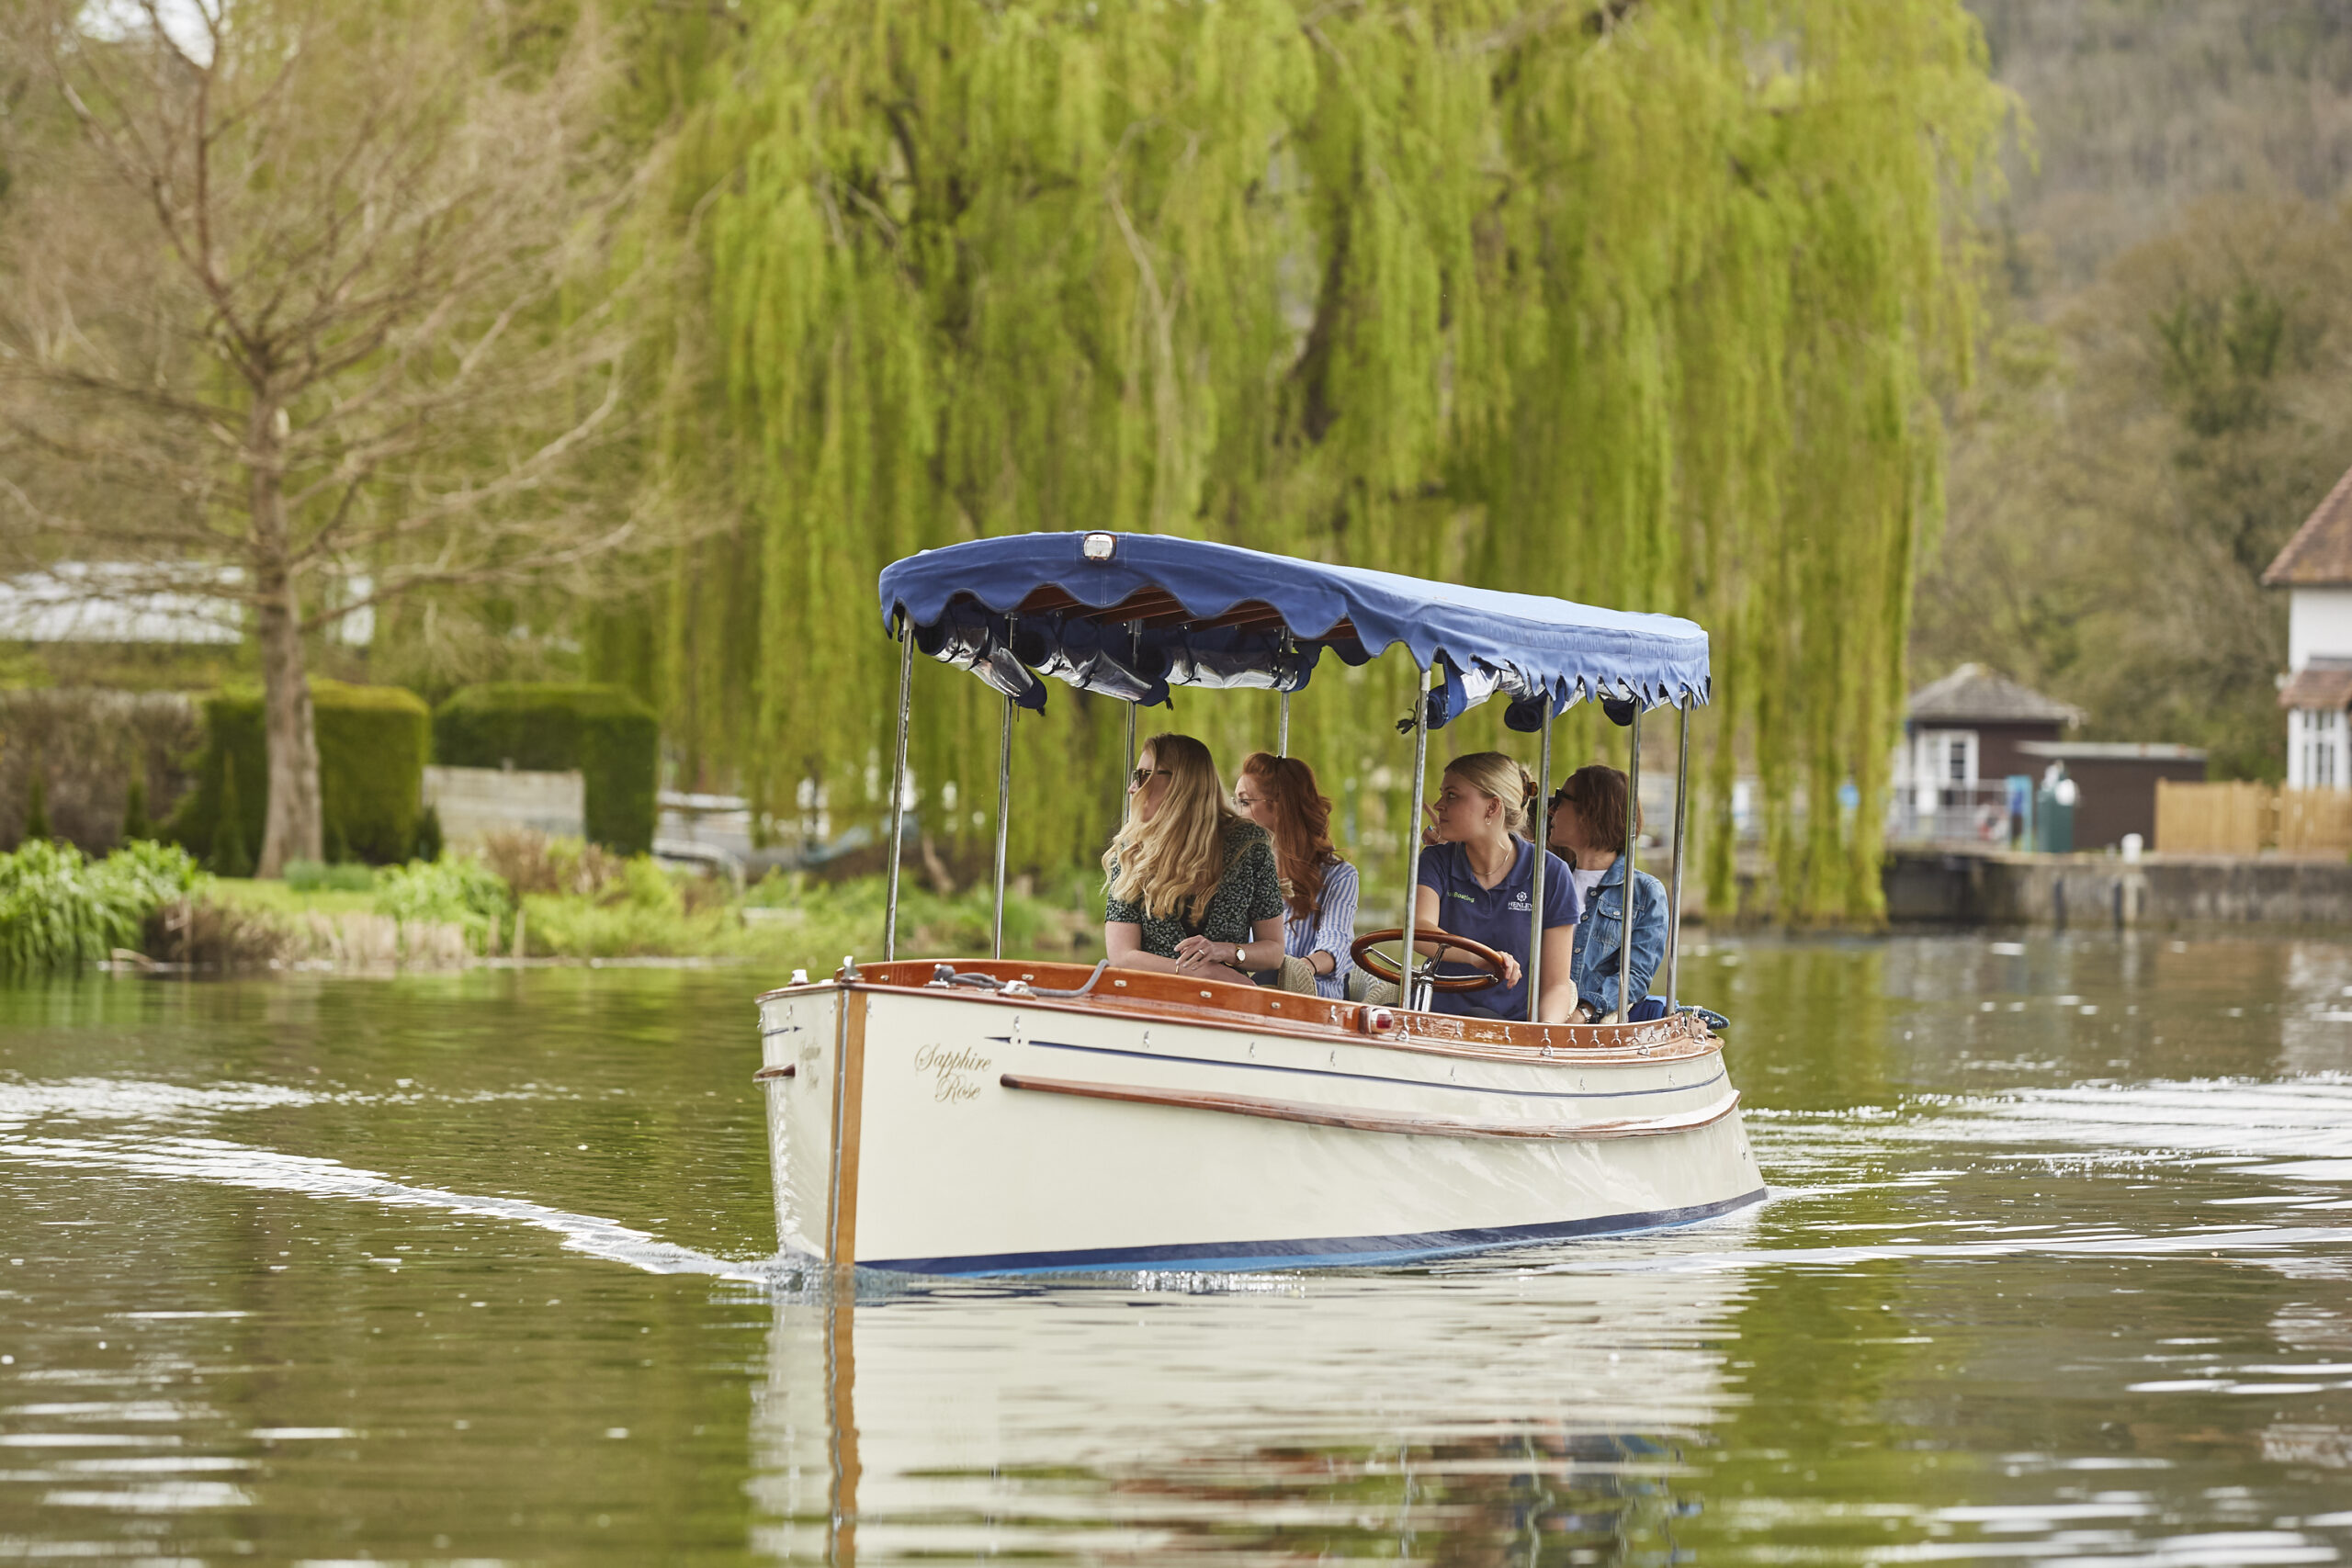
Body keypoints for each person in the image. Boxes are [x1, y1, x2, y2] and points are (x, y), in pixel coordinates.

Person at [1410, 751, 1578, 1022]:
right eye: (1442, 794)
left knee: (1479, 1016)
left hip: (1508, 1032)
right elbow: (1419, 931)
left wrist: (1543, 1033)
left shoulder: (1551, 873)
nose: (1439, 805)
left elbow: (1557, 986)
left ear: (1492, 807)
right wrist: (1478, 957)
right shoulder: (1435, 860)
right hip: (1434, 1022)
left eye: (1452, 795)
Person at [1102, 733, 1286, 980]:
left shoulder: (1250, 845)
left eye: (1144, 775)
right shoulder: (1131, 849)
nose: (1132, 787)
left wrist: (1227, 951)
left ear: (1182, 783)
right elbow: (1122, 956)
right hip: (1148, 996)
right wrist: (1203, 973)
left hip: (1227, 998)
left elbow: (1274, 951)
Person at [1547, 764, 1668, 1022]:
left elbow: (1635, 977)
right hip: (1534, 1017)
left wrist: (1583, 1012)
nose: (1551, 810)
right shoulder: (1546, 881)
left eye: (1560, 799)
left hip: (1591, 1029)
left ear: (1590, 813)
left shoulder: (1645, 893)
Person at [1234, 752, 1358, 998]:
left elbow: (1334, 944)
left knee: (1270, 977)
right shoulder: (1241, 870)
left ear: (1279, 808)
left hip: (1312, 997)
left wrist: (1297, 970)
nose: (1236, 814)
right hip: (1251, 989)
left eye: (1245, 803)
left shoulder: (1339, 876)